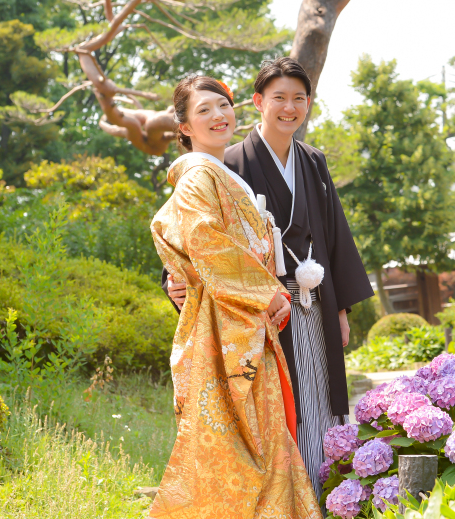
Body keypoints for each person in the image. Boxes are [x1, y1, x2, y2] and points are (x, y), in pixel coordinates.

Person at [163, 58, 374, 500]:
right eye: (278, 97)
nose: (289, 107)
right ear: (258, 102)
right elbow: (198, 237)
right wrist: (174, 279)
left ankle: (329, 496)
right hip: (261, 312)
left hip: (315, 300)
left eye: (299, 98)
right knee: (279, 405)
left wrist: (340, 308)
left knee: (321, 396)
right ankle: (290, 499)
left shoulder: (313, 161)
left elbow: (335, 236)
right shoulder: (227, 163)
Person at [150, 74, 322, 519]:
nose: (217, 116)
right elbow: (203, 240)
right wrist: (265, 293)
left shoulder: (225, 175)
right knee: (235, 444)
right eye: (203, 110)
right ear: (184, 127)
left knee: (260, 440)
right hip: (222, 328)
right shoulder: (197, 176)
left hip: (241, 324)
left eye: (222, 106)